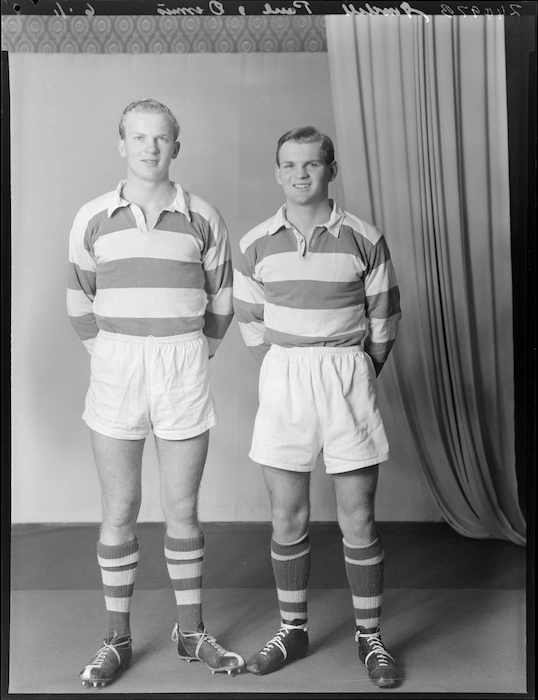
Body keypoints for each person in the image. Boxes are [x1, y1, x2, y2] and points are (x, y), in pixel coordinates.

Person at [67, 98, 243, 688]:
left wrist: (189, 352)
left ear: (176, 146)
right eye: (138, 137)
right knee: (119, 509)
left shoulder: (204, 217)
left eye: (160, 138)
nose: (149, 147)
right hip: (117, 366)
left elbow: (222, 303)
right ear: (122, 144)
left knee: (183, 509)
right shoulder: (92, 216)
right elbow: (79, 300)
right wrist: (117, 353)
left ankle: (189, 632)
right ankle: (116, 639)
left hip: (183, 367)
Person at [233, 127, 402, 688]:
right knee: (288, 515)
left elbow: (383, 321)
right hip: (285, 375)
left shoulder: (363, 237)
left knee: (358, 517)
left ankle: (370, 637)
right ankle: (293, 627)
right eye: (290, 165)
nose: (301, 174)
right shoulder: (257, 242)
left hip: (346, 372)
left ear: (331, 169)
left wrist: (355, 369)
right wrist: (286, 369)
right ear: (277, 172)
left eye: (312, 164)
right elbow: (251, 323)